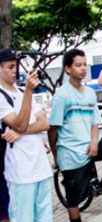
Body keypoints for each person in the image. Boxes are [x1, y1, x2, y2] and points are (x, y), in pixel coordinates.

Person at [48, 49, 102, 222]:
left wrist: (94, 141)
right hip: (71, 154)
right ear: (67, 69)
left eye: (84, 65)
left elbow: (95, 122)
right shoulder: (62, 95)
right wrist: (56, 156)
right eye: (78, 65)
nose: (83, 69)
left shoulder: (89, 93)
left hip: (91, 147)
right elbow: (52, 130)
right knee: (74, 201)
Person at [0, 48, 51, 221]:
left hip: (41, 167)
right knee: (23, 217)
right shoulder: (2, 96)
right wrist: (29, 91)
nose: (15, 70)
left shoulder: (21, 92)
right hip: (20, 171)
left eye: (16, 66)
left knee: (44, 217)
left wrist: (20, 132)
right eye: (10, 67)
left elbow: (44, 123)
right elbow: (20, 123)